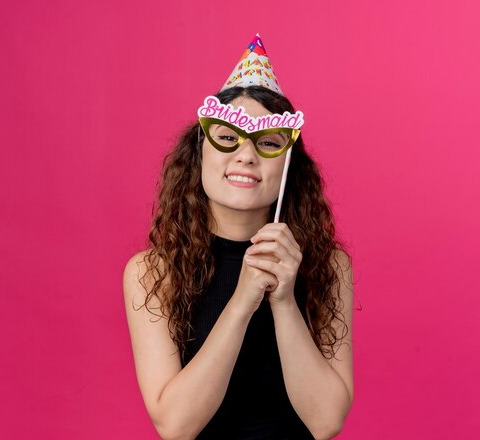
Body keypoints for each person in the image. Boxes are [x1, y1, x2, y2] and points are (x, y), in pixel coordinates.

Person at [124, 34, 354, 440]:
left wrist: (283, 300)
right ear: (201, 151)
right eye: (227, 138)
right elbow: (176, 426)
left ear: (287, 164)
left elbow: (326, 422)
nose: (246, 155)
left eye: (266, 143)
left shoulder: (327, 263)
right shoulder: (151, 272)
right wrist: (243, 300)